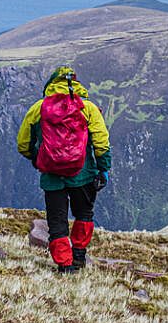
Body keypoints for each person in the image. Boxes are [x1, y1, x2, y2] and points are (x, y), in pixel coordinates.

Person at [17, 66, 111, 274]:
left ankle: (64, 265)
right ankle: (78, 256)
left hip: (52, 177)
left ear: (51, 84)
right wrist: (103, 170)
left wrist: (37, 159)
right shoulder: (88, 108)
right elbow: (102, 144)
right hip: (84, 174)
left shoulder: (38, 108)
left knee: (57, 222)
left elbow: (23, 143)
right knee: (84, 214)